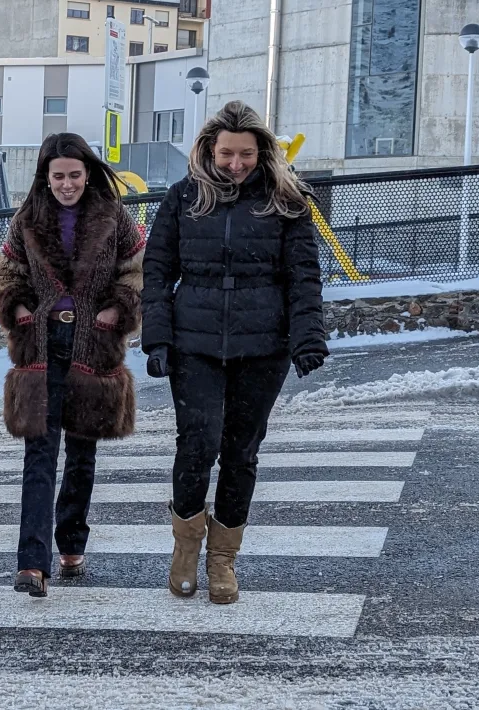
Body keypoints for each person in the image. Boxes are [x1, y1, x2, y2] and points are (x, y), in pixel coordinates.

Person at [141, 101, 328, 604]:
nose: (236, 164)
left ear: (262, 152)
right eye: (227, 153)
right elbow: (156, 273)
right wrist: (156, 338)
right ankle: (186, 548)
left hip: (263, 347)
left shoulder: (286, 202)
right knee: (197, 445)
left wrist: (308, 337)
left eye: (246, 154)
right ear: (209, 150)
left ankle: (223, 559)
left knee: (241, 453)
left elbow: (303, 279)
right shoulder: (182, 198)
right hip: (194, 342)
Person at [0, 132, 145, 597]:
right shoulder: (26, 219)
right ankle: (31, 564)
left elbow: (138, 269)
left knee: (81, 451)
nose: (67, 184)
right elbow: (4, 272)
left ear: (88, 173)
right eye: (58, 176)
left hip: (93, 343)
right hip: (42, 344)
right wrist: (17, 308)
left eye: (75, 175)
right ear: (46, 177)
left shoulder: (114, 217)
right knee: (39, 452)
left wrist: (117, 310)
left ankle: (72, 540)